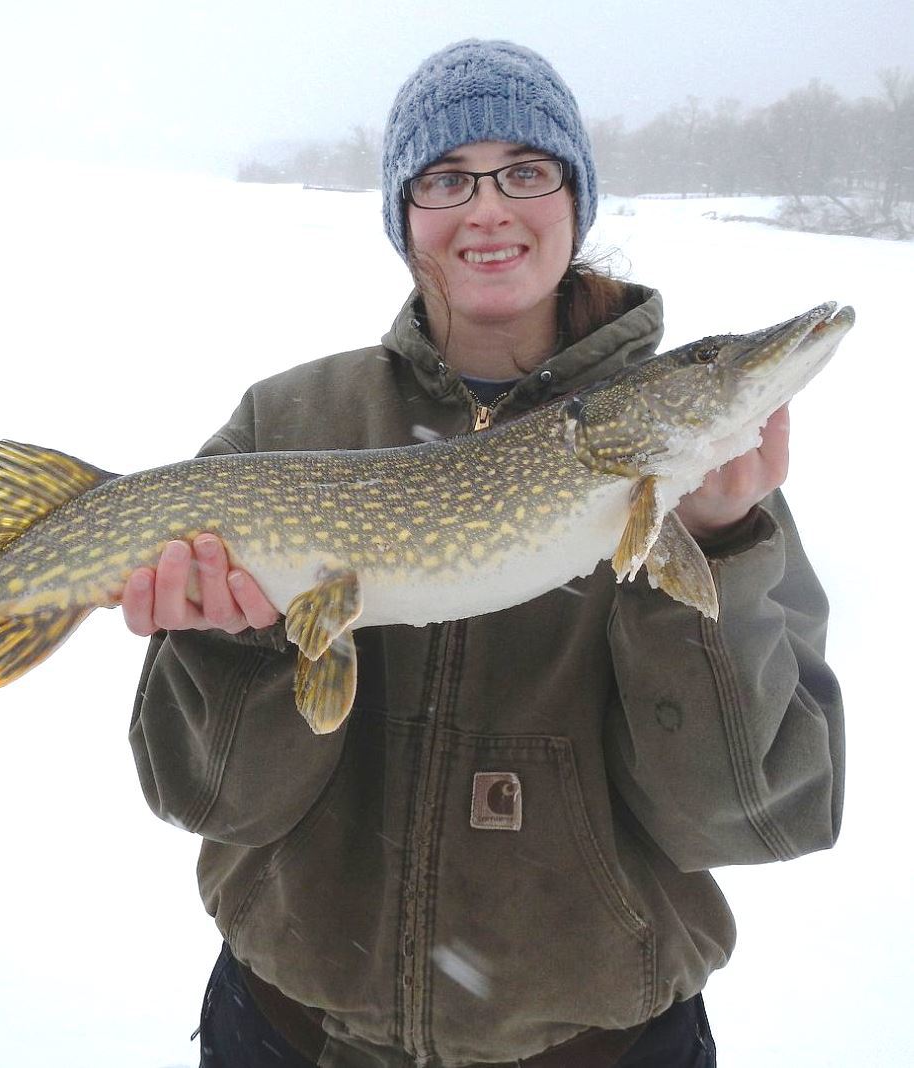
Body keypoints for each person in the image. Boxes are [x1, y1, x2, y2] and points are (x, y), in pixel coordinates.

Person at [124, 39, 844, 1068]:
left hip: (596, 1046)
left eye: (524, 169)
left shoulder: (704, 488)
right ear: (402, 213)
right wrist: (242, 647)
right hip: (290, 1034)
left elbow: (751, 817)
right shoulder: (286, 422)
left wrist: (721, 546)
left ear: (572, 195)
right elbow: (206, 798)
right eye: (446, 178)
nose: (488, 207)